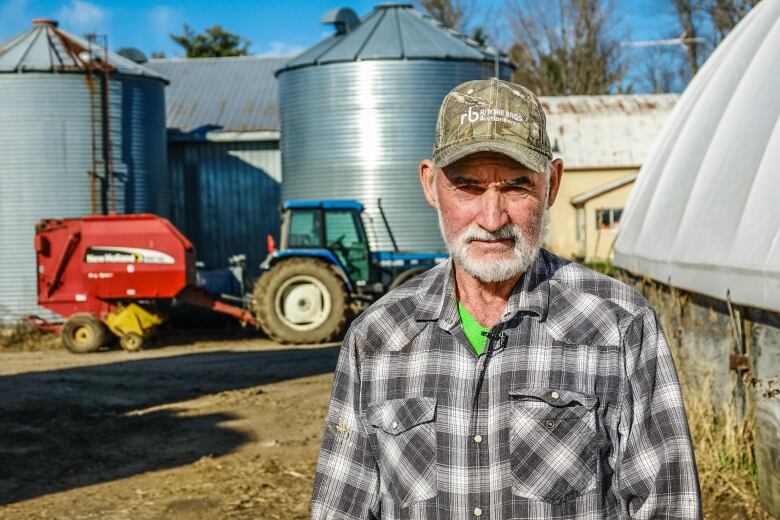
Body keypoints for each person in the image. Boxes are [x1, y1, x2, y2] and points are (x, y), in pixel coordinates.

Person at [311, 78, 701, 519]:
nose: (493, 218)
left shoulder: (619, 324)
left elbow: (670, 504)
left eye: (516, 185)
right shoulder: (378, 337)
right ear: (430, 185)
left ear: (551, 184)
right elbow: (341, 507)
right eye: (469, 187)